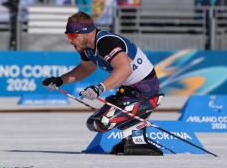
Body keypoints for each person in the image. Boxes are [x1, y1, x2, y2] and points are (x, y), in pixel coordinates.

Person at [42, 11, 162, 156]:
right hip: (129, 89)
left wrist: (99, 88)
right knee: (94, 122)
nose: (70, 40)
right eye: (67, 36)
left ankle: (137, 139)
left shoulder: (106, 42)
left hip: (145, 87)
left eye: (72, 35)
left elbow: (125, 69)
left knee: (101, 122)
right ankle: (131, 141)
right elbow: (85, 69)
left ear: (85, 33)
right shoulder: (86, 49)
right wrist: (60, 80)